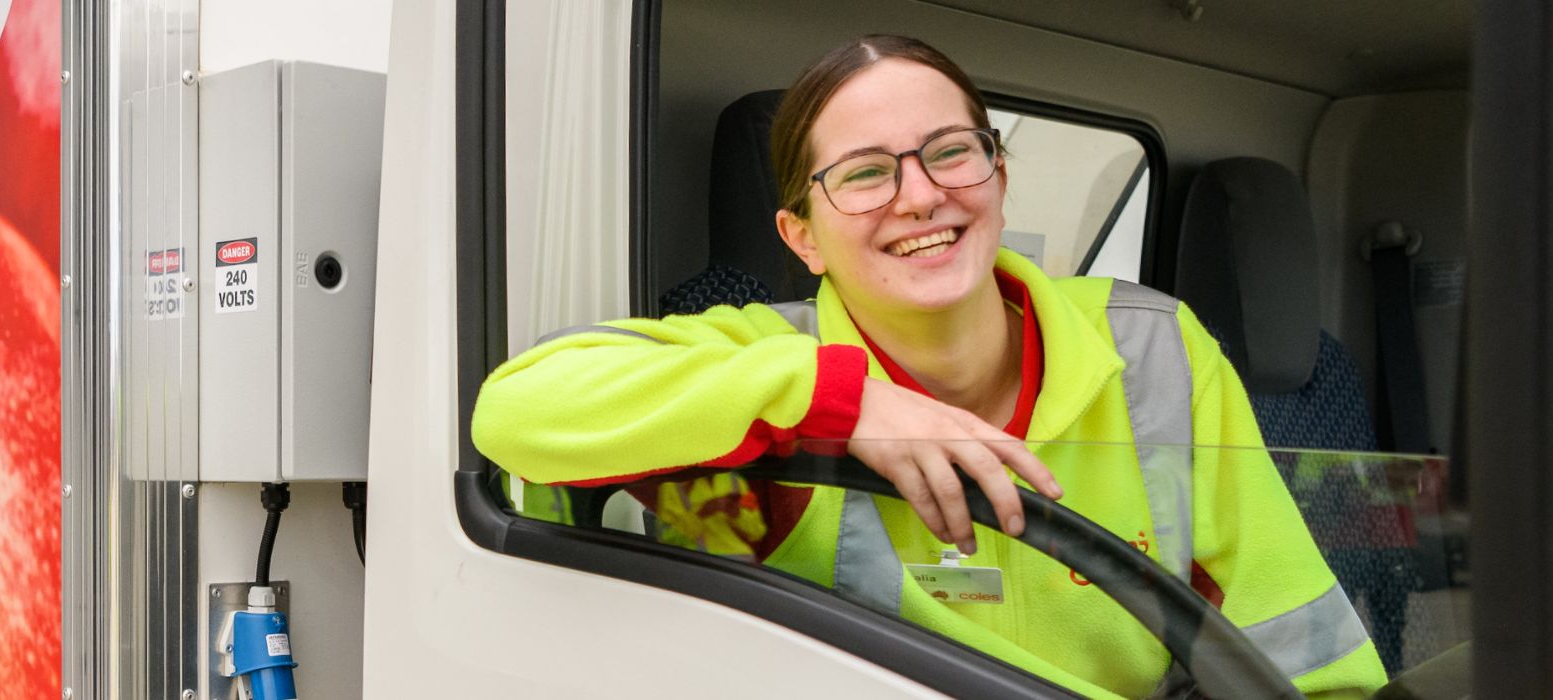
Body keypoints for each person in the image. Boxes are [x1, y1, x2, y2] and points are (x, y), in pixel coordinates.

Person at [471, 34, 1384, 698]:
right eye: (866, 174)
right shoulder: (765, 353)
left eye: (952, 153)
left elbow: (1303, 653)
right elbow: (515, 413)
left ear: (996, 177)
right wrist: (842, 401)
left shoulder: (1154, 346)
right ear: (803, 235)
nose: (922, 195)